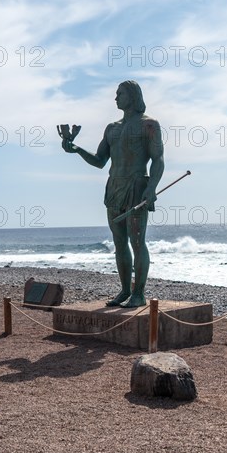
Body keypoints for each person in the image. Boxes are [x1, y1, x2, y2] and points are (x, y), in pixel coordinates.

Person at [61, 80, 164, 308]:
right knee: (119, 243)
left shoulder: (150, 125)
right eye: (116, 93)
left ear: (132, 96)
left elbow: (158, 159)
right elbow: (99, 161)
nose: (115, 98)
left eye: (120, 93)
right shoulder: (111, 128)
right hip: (114, 188)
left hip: (137, 187)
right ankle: (125, 291)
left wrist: (151, 188)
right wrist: (76, 149)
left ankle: (139, 294)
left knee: (138, 242)